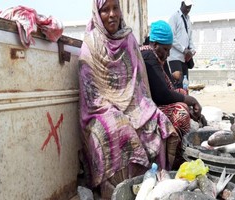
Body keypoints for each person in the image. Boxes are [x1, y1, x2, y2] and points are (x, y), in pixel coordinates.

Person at [78, 0, 180, 198]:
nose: (112, 14)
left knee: (157, 123)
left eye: (115, 8)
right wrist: (115, 110)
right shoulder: (90, 44)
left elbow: (139, 85)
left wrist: (141, 108)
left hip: (133, 105)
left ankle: (153, 185)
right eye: (105, 10)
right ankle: (117, 191)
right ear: (97, 14)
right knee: (119, 128)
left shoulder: (129, 39)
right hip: (100, 110)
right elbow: (91, 96)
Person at [140, 20, 204, 170]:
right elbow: (162, 95)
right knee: (180, 112)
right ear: (155, 44)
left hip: (154, 101)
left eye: (169, 50)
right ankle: (176, 159)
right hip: (145, 108)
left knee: (182, 93)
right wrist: (190, 100)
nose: (168, 54)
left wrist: (186, 98)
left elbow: (168, 85)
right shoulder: (148, 56)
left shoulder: (156, 55)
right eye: (166, 50)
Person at [168, 0, 196, 89]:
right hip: (175, 57)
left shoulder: (188, 19)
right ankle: (177, 102)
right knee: (177, 84)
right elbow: (172, 37)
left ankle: (185, 102)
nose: (188, 9)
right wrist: (184, 50)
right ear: (182, 4)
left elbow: (189, 37)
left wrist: (192, 50)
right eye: (187, 6)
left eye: (190, 7)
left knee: (185, 84)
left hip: (185, 58)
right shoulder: (174, 17)